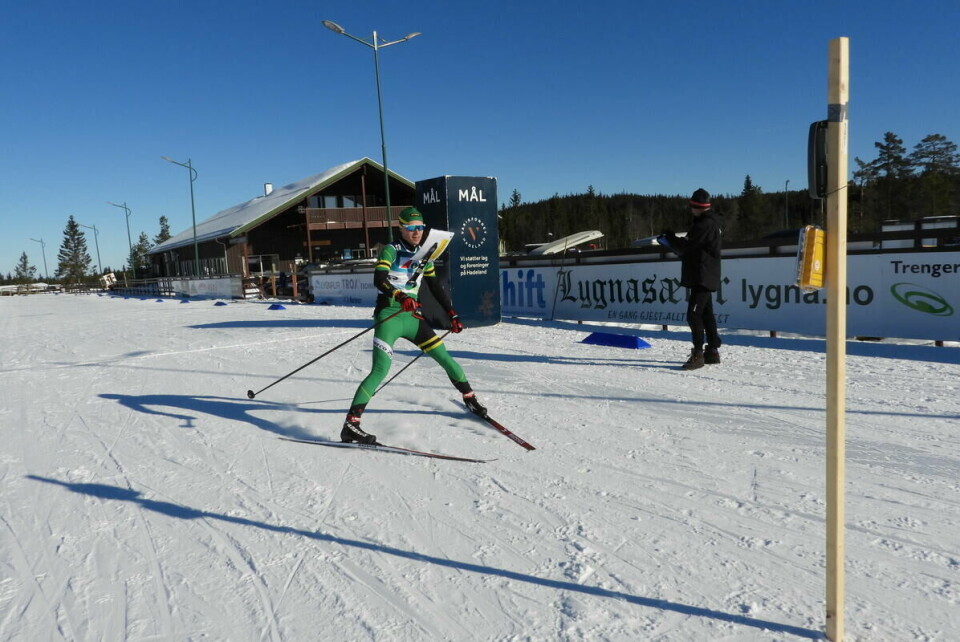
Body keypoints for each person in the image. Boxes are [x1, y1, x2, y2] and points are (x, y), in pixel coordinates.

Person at [340, 207, 487, 444]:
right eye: (411, 228)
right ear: (401, 228)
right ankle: (351, 425)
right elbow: (379, 279)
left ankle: (469, 398)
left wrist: (452, 314)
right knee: (380, 370)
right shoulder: (391, 250)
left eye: (420, 228)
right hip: (390, 315)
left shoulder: (424, 253)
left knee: (444, 356)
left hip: (413, 318)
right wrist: (399, 296)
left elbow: (434, 286)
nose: (417, 232)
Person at [660, 188, 723, 370]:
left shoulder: (704, 224)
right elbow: (692, 246)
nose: (690, 210)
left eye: (692, 206)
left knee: (693, 314)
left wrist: (670, 239)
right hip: (705, 273)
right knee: (706, 313)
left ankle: (698, 354)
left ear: (697, 206)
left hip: (702, 274)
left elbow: (686, 247)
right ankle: (712, 350)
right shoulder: (709, 222)